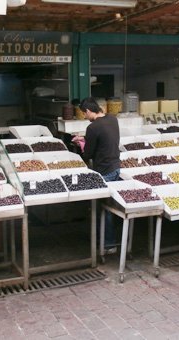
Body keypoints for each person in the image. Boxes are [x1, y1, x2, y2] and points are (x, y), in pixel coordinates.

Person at [78, 97, 121, 253]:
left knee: (102, 209)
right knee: (112, 206)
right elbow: (104, 138)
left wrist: (81, 144)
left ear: (89, 111)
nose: (84, 117)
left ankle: (108, 244)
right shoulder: (112, 119)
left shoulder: (93, 128)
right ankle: (108, 239)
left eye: (84, 114)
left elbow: (88, 153)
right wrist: (85, 139)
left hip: (104, 172)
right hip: (116, 168)